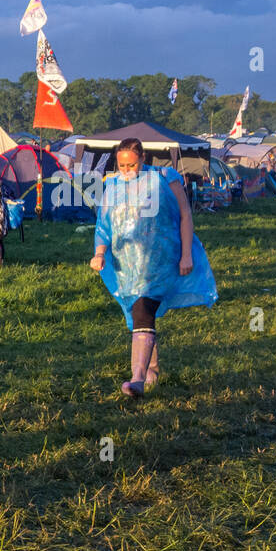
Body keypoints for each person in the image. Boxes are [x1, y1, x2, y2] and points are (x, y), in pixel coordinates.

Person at [90, 138, 218, 396]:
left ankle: (136, 378)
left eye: (131, 164)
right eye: (121, 165)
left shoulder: (164, 177)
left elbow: (184, 215)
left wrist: (185, 255)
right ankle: (150, 373)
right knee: (139, 315)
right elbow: (105, 225)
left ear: (143, 158)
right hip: (125, 265)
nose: (126, 170)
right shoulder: (112, 185)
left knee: (143, 308)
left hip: (160, 260)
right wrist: (100, 252)